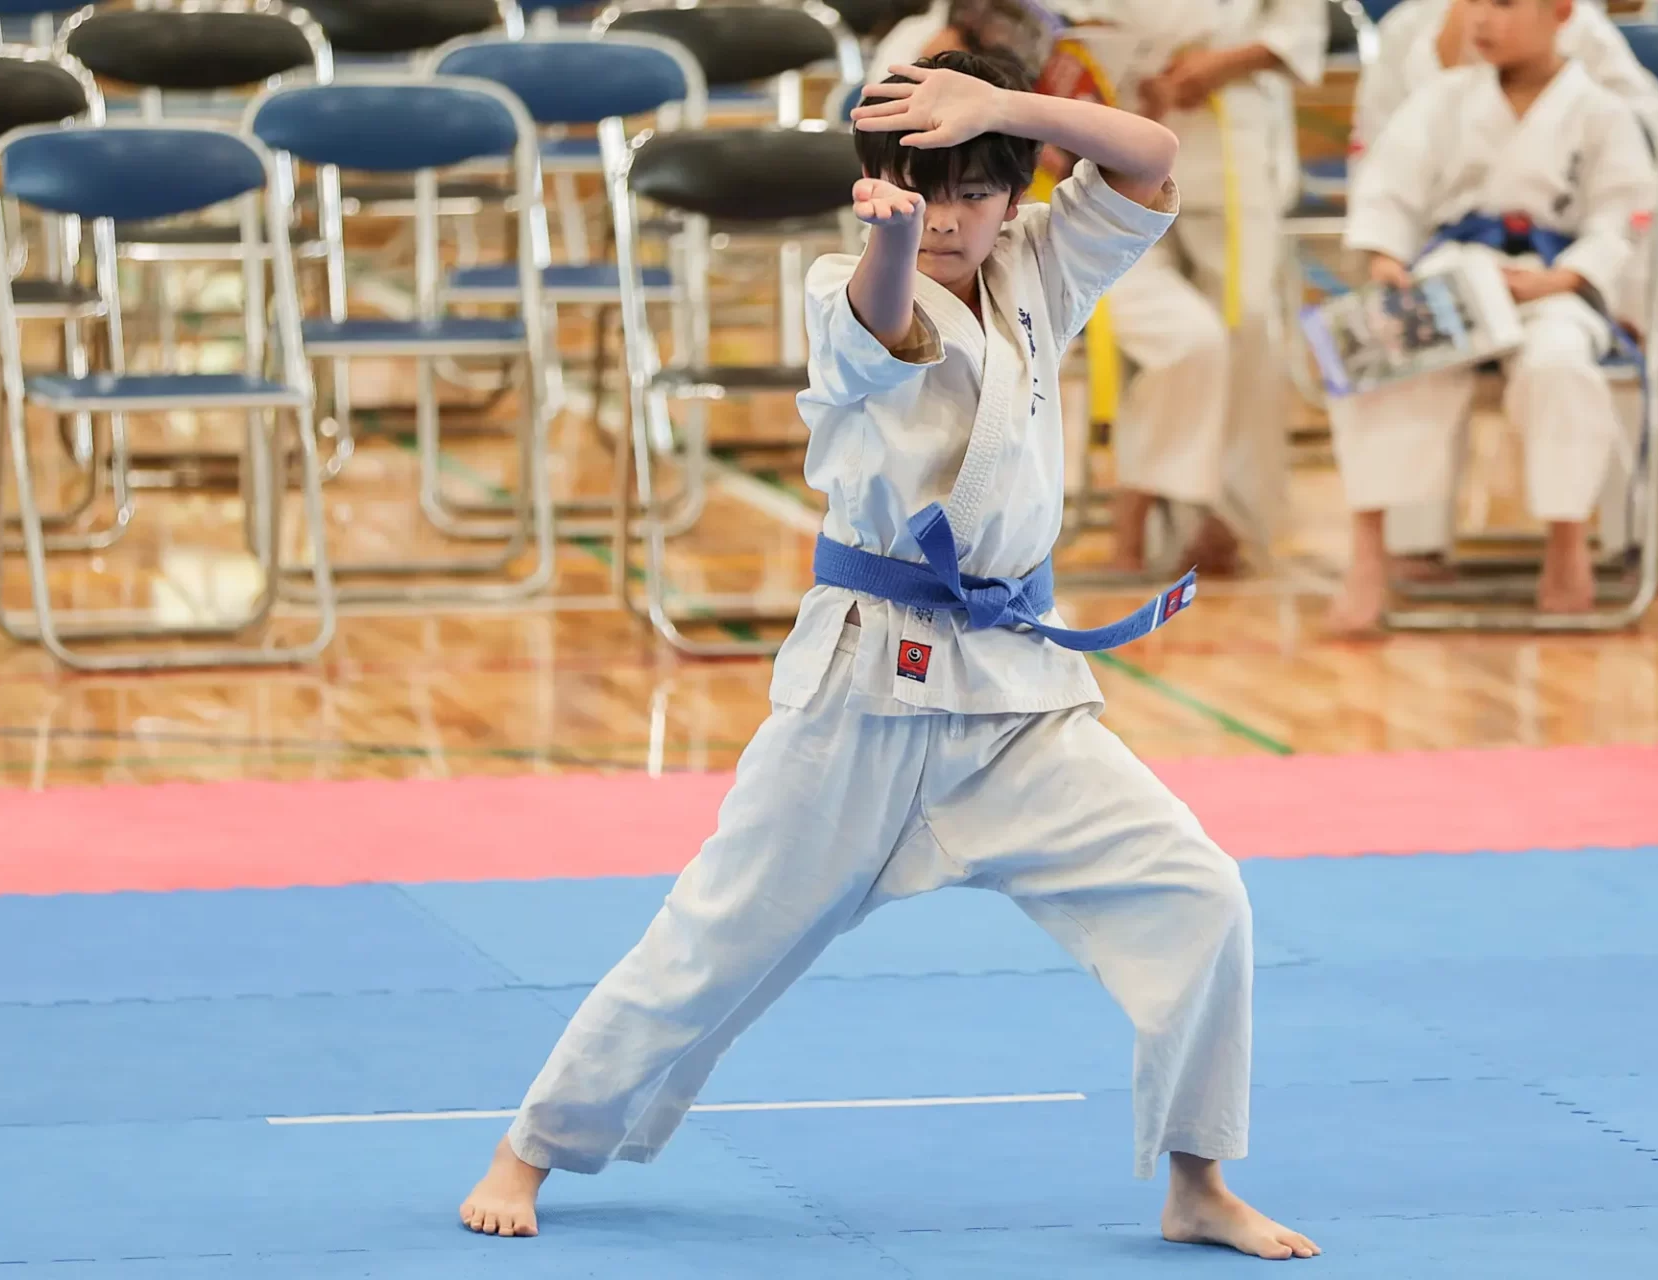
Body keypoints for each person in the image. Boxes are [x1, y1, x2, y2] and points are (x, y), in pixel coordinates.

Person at [460, 50, 1320, 1263]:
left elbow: (1154, 155)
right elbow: (884, 320)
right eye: (928, 193)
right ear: (876, 189)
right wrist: (896, 237)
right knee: (714, 936)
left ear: (1014, 194)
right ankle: (532, 1144)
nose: (953, 217)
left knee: (1200, 892)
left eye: (977, 192)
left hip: (1015, 695)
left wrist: (1004, 108)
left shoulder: (1041, 266)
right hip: (865, 693)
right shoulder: (845, 283)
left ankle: (1197, 1178)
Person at [1325, 0, 1658, 632]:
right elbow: (1387, 191)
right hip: (1455, 278)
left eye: (1503, 3)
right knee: (1382, 358)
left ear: (1561, 11)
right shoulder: (1441, 101)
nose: (1481, 19)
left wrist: (1564, 278)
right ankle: (1368, 552)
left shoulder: (1601, 109)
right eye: (1475, 2)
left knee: (1560, 366)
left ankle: (1566, 541)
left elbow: (1623, 218)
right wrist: (1386, 260)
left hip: (1552, 288)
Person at [1055, 0, 1326, 577]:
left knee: (1247, 329)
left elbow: (1297, 25)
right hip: (1119, 131)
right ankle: (1146, 524)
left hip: (1230, 134)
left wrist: (1222, 63)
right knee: (1170, 343)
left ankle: (1225, 518)